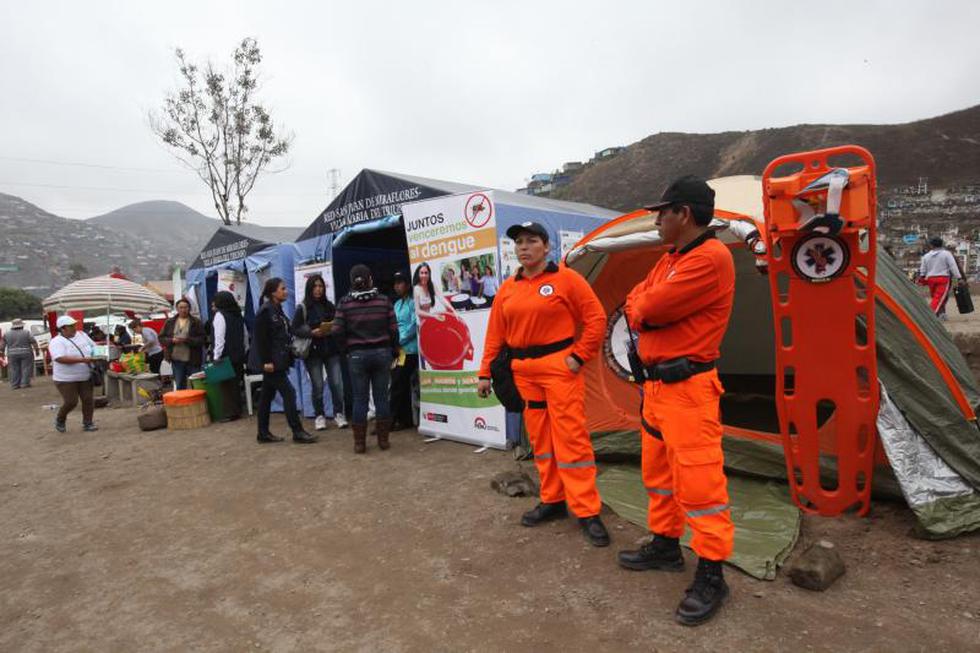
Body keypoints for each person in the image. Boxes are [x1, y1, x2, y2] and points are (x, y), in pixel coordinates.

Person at [616, 175, 736, 627]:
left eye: (660, 212)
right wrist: (644, 304)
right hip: (656, 391)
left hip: (688, 391)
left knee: (701, 489)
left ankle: (711, 573)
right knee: (659, 475)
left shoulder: (710, 257)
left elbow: (648, 309)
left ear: (682, 213)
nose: (657, 220)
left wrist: (645, 306)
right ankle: (666, 545)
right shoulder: (671, 260)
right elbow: (634, 302)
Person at [477, 221, 610, 548]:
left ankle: (587, 510)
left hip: (559, 369)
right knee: (541, 439)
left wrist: (579, 357)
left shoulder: (567, 279)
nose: (523, 247)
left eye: (531, 241)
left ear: (546, 247)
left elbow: (596, 319)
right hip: (524, 373)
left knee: (571, 439)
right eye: (519, 242)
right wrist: (484, 373)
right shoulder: (508, 288)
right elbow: (495, 335)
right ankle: (552, 499)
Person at [332, 264, 399, 454]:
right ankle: (383, 441)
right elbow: (394, 330)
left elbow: (336, 330)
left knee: (360, 399)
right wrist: (393, 349)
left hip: (357, 356)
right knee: (381, 398)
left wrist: (347, 349)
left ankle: (359, 443)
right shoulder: (384, 301)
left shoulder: (345, 303)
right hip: (381, 354)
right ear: (370, 278)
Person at [252, 278, 317, 444]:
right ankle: (297, 431)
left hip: (279, 360)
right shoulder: (265, 311)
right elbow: (260, 339)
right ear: (273, 292)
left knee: (266, 396)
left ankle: (263, 433)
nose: (286, 291)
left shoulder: (277, 310)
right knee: (289, 393)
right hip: (272, 363)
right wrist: (266, 361)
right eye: (283, 289)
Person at [292, 274, 347, 431]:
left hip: (331, 349)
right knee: (317, 386)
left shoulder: (329, 305)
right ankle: (319, 415)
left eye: (321, 286)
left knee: (337, 383)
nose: (318, 289)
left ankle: (338, 413)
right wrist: (311, 332)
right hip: (313, 351)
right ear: (310, 288)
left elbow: (338, 323)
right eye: (315, 286)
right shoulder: (302, 307)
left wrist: (331, 328)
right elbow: (294, 328)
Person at [49, 315, 100, 433]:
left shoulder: (82, 335)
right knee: (71, 401)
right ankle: (60, 419)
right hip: (65, 378)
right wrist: (83, 360)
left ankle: (88, 422)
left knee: (88, 400)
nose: (74, 328)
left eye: (74, 325)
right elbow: (59, 358)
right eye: (71, 326)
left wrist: (100, 354)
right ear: (63, 329)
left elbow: (94, 346)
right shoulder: (56, 341)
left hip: (85, 375)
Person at [211, 291, 246, 421]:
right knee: (236, 383)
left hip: (225, 355)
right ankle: (238, 409)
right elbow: (245, 335)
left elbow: (220, 338)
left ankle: (231, 412)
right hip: (238, 354)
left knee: (225, 385)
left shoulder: (220, 315)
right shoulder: (238, 315)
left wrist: (216, 356)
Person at [390, 271, 419, 431]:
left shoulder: (413, 303)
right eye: (395, 283)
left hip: (410, 350)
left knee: (397, 383)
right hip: (398, 351)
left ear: (408, 285)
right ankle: (404, 419)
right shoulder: (396, 304)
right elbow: (393, 325)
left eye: (400, 283)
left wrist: (398, 341)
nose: (397, 286)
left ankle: (390, 420)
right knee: (397, 382)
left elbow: (414, 325)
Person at [159, 299, 207, 390]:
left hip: (193, 359)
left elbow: (202, 339)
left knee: (197, 385)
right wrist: (171, 340)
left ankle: (197, 403)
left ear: (189, 308)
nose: (183, 310)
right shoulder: (170, 322)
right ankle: (183, 404)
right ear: (177, 309)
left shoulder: (196, 322)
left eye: (186, 307)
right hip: (176, 360)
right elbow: (161, 338)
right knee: (180, 385)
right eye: (181, 307)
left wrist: (187, 340)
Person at [918, 237, 964, 319]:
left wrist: (922, 277)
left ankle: (940, 314)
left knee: (936, 297)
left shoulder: (926, 256)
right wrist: (959, 278)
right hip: (943, 279)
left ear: (931, 245)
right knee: (939, 298)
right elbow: (953, 267)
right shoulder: (946, 254)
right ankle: (930, 315)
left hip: (930, 279)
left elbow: (923, 269)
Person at [4, 318, 39, 390]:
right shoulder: (27, 332)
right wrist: (37, 350)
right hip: (26, 352)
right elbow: (33, 341)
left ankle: (15, 385)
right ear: (22, 325)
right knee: (26, 368)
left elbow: (2, 345)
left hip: (12, 353)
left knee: (14, 369)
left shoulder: (7, 334)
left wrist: (1, 352)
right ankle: (25, 383)